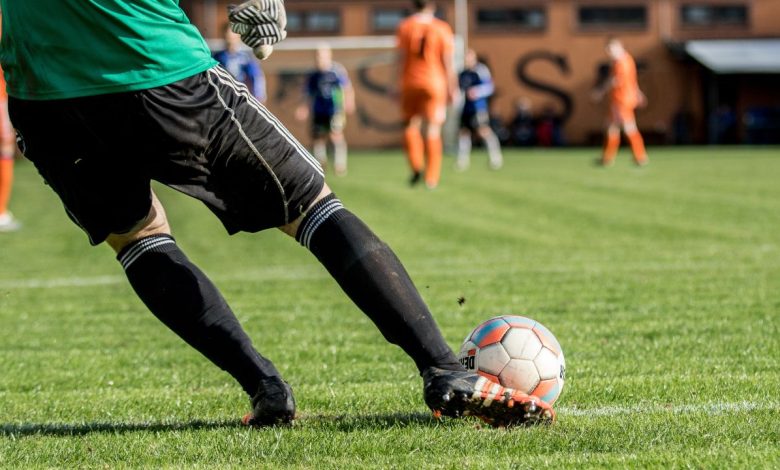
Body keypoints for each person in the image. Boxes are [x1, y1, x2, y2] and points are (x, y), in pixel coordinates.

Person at [0, 0, 553, 427]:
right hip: (150, 61)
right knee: (312, 204)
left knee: (138, 236)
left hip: (43, 94)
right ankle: (444, 370)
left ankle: (265, 387)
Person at [396, 0, 458, 189]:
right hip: (434, 83)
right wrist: (452, 87)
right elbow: (447, 62)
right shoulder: (442, 28)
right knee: (432, 129)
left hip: (410, 82)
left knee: (410, 125)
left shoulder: (405, 26)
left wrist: (395, 84)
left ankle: (416, 166)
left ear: (413, 5)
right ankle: (431, 177)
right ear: (432, 6)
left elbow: (400, 59)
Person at [295, 44, 355, 176]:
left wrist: (349, 101)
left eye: (322, 55)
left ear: (329, 56)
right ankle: (320, 164)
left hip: (335, 109)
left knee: (335, 134)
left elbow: (347, 88)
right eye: (317, 55)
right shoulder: (313, 75)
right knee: (317, 137)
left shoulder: (336, 71)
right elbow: (307, 93)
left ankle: (339, 165)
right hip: (318, 110)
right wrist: (303, 108)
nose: (319, 58)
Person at [591, 37, 648, 166]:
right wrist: (638, 93)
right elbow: (632, 80)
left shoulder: (621, 62)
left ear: (619, 47)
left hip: (621, 100)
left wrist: (600, 91)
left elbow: (616, 80)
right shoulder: (628, 60)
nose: (610, 53)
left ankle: (640, 156)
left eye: (611, 50)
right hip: (623, 98)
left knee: (628, 128)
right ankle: (608, 158)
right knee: (612, 128)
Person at [456, 49, 503, 171]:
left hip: (479, 107)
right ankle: (462, 161)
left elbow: (490, 87)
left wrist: (477, 92)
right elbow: (459, 90)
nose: (467, 60)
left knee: (483, 131)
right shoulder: (463, 73)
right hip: (466, 108)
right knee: (464, 133)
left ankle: (495, 158)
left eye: (469, 58)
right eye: (466, 58)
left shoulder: (481, 70)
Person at [213, 22, 267, 103]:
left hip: (240, 99)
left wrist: (259, 97)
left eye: (232, 34)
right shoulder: (217, 57)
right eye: (227, 33)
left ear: (238, 36)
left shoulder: (246, 58)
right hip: (222, 98)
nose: (229, 36)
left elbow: (256, 77)